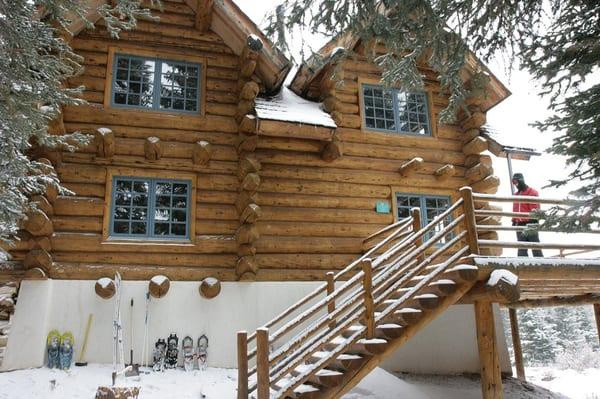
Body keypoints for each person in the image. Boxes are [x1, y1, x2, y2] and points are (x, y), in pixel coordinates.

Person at [511, 173, 543, 257]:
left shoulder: (532, 192)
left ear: (521, 181)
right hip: (520, 224)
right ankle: (522, 266)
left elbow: (535, 207)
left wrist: (534, 219)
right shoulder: (516, 195)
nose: (516, 185)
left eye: (516, 182)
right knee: (521, 248)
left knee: (535, 246)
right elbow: (515, 208)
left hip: (530, 223)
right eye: (514, 183)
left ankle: (540, 265)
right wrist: (514, 220)